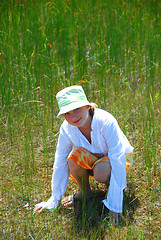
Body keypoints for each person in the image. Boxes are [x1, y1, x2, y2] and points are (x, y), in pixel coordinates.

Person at [34, 85, 133, 224]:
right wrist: (54, 199)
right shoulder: (67, 128)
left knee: (101, 172)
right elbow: (60, 160)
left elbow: (118, 157)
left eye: (76, 109)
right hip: (93, 158)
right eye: (67, 113)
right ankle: (86, 192)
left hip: (118, 157)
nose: (73, 116)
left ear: (87, 106)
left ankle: (113, 190)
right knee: (72, 159)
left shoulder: (106, 121)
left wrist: (115, 205)